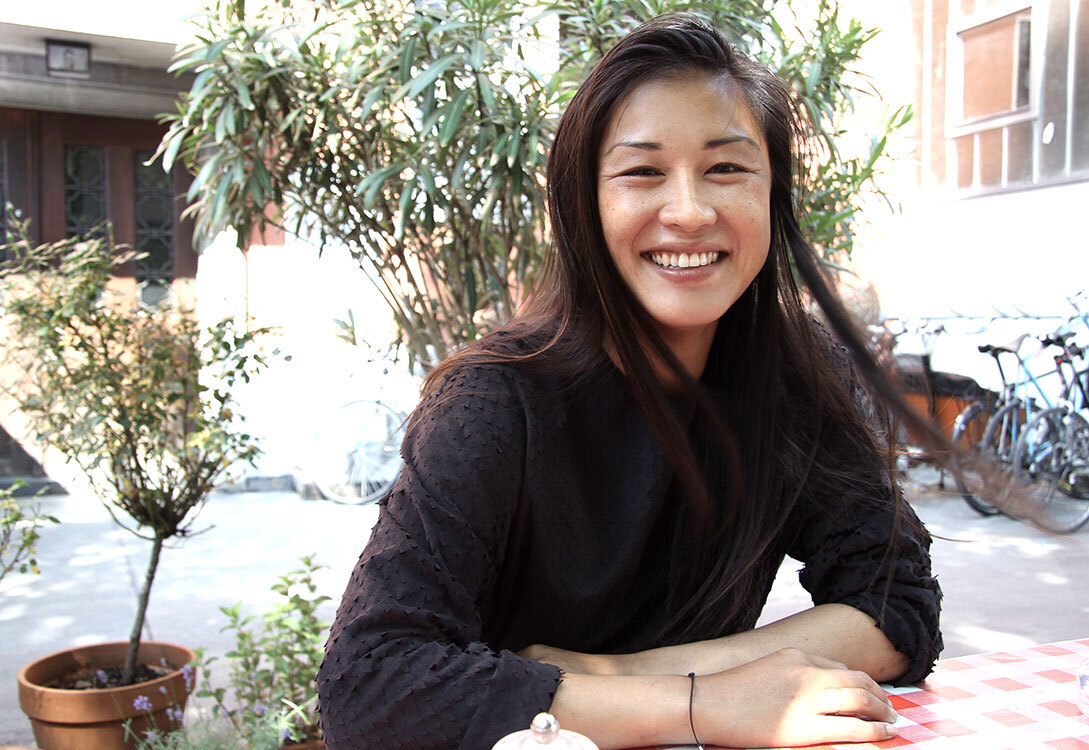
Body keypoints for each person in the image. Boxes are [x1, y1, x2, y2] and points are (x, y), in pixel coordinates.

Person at [317, 13, 942, 750]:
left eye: (726, 168)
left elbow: (895, 607)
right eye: (642, 172)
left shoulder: (798, 378)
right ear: (584, 204)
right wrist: (703, 704)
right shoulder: (494, 404)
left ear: (773, 194)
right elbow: (369, 685)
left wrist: (639, 680)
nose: (689, 211)